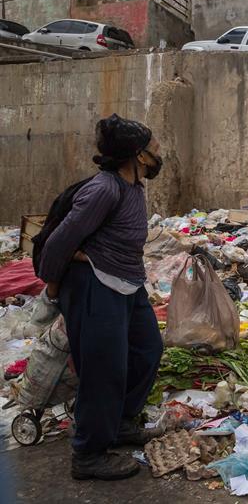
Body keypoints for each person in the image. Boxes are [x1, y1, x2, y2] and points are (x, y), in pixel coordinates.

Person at [38, 114, 165, 481]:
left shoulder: (133, 187)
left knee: (147, 350)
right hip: (94, 284)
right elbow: (61, 239)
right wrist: (53, 286)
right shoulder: (104, 189)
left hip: (126, 282)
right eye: (154, 149)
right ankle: (89, 454)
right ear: (138, 156)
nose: (159, 155)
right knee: (104, 369)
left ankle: (121, 422)